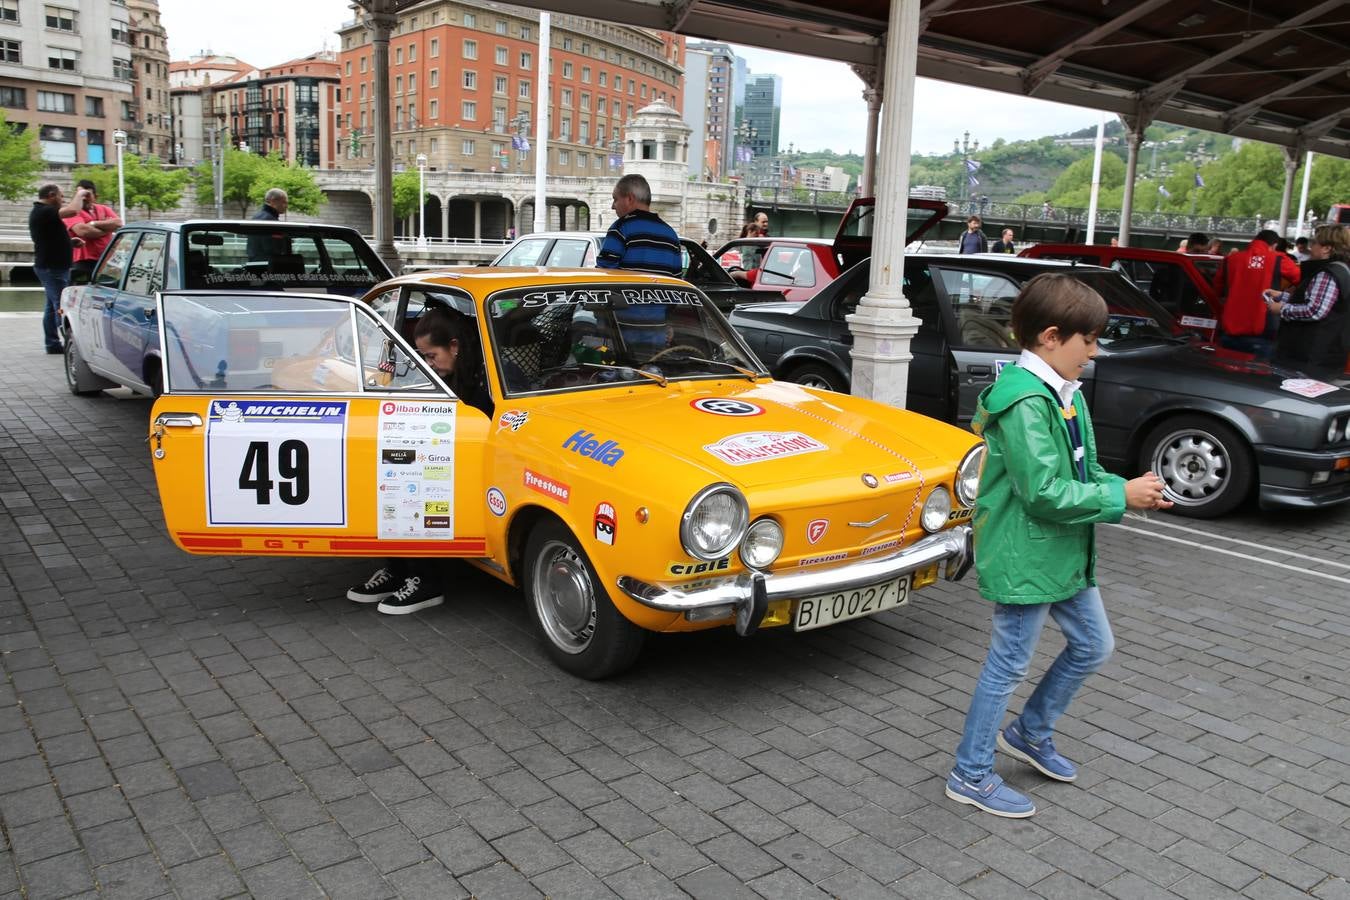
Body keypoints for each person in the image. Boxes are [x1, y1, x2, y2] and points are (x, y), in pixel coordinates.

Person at [945, 273, 1171, 818]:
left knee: (1094, 645)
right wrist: (1122, 496)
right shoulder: (1027, 401)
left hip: (1059, 551)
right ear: (1051, 336)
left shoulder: (1061, 391)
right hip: (1029, 554)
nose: (1092, 354)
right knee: (1008, 665)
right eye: (1087, 341)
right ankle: (970, 773)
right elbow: (1043, 491)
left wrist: (1126, 488)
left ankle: (1028, 734)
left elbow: (1084, 469)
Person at [348, 307, 490, 615]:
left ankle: (425, 580)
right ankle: (399, 570)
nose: (428, 365)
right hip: (447, 458)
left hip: (476, 469)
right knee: (392, 479)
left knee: (418, 488)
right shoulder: (446, 375)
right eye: (422, 358)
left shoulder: (485, 377)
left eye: (431, 356)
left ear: (454, 347)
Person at [597, 174, 681, 357]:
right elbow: (676, 288)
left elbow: (603, 278)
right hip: (657, 335)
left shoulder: (620, 229)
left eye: (615, 199)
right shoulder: (671, 235)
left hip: (621, 334)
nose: (613, 206)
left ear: (629, 198)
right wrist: (667, 323)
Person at [1265, 225, 1350, 379]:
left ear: (1326, 248)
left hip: (1309, 356)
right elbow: (1319, 302)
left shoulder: (1327, 273)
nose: (1311, 247)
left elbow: (1315, 310)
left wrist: (1282, 309)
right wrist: (1282, 296)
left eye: (1315, 243)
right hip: (1322, 355)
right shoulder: (1341, 269)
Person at [1213, 228, 1300, 359]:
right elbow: (1303, 281)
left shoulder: (1230, 260)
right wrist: (1288, 294)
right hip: (1263, 331)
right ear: (1274, 245)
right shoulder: (1278, 259)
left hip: (1230, 329)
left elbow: (1217, 290)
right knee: (1256, 376)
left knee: (1225, 375)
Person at [28, 183, 85, 354]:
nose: (63, 199)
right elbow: (74, 210)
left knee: (51, 306)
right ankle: (69, 344)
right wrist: (80, 193)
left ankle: (52, 343)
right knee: (61, 305)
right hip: (52, 268)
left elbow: (49, 238)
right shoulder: (44, 211)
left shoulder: (44, 213)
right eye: (61, 196)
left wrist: (69, 243)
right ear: (51, 195)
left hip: (52, 266)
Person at [64, 180, 122, 280]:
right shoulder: (71, 212)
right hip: (83, 263)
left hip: (106, 260)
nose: (84, 198)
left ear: (96, 196)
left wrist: (92, 223)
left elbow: (118, 223)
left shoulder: (104, 209)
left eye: (87, 195)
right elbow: (83, 231)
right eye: (80, 195)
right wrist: (106, 228)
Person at [246, 188, 290, 262]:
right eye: (284, 202)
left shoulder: (256, 217)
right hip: (268, 267)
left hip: (254, 264)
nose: (286, 206)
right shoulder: (271, 221)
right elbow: (275, 249)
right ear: (273, 201)